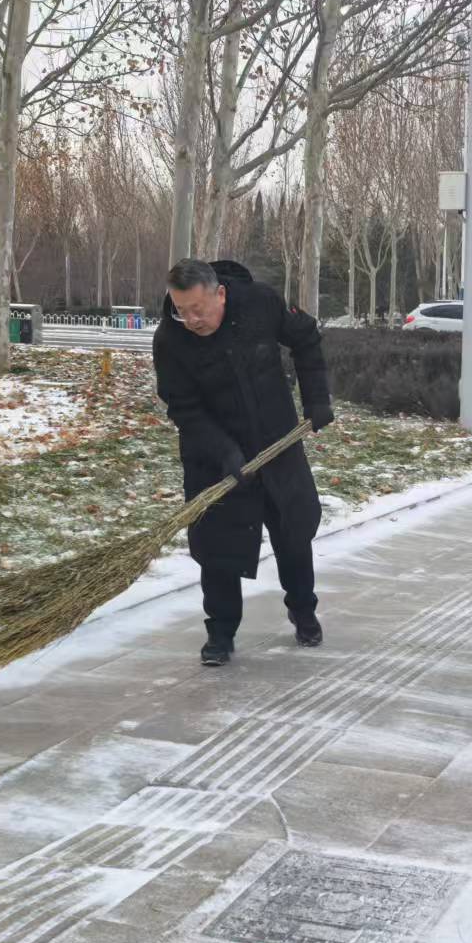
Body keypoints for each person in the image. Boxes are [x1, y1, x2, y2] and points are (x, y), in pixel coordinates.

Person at [153, 258, 334, 667]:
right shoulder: (170, 340)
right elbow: (184, 408)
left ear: (220, 293)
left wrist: (317, 398)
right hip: (214, 458)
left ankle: (303, 610)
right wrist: (224, 452)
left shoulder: (259, 303)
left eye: (198, 309)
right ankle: (220, 633)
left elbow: (306, 337)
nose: (191, 320)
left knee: (293, 533)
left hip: (276, 445)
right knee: (218, 546)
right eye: (181, 310)